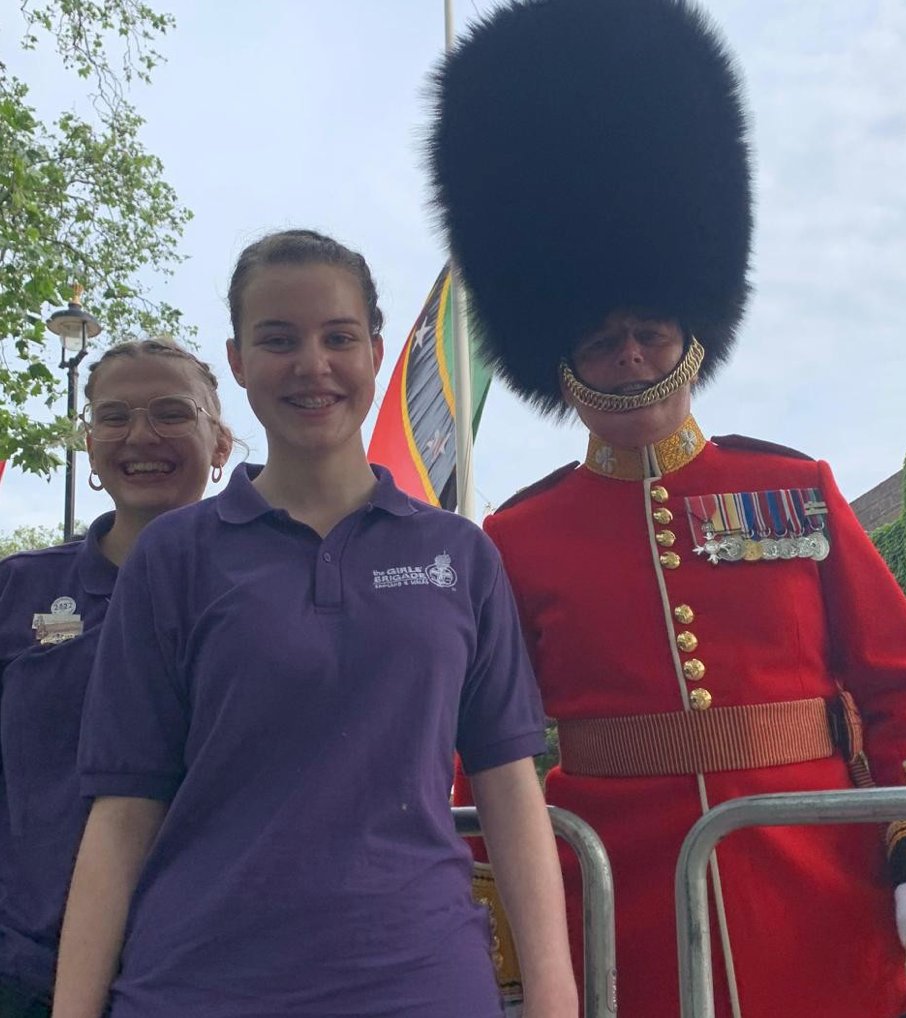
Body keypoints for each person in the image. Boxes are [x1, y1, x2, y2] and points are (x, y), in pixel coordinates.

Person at [432, 1, 906, 1015]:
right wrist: (500, 918)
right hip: (615, 898)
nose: (630, 355)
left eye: (649, 329)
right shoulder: (515, 537)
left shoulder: (792, 486)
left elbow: (905, 688)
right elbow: (478, 741)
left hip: (818, 887)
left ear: (694, 330)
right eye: (601, 340)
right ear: (558, 357)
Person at [51, 230, 576, 1018]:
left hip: (422, 983)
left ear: (373, 348)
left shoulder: (458, 555)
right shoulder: (174, 557)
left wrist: (554, 994)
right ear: (236, 360)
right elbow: (123, 813)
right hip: (197, 986)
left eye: (337, 337)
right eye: (278, 339)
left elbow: (508, 790)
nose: (312, 364)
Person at [0, 338, 234, 1018]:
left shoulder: (268, 599)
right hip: (28, 971)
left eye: (170, 413)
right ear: (90, 442)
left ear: (219, 444)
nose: (140, 436)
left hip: (207, 970)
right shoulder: (20, 591)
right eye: (114, 416)